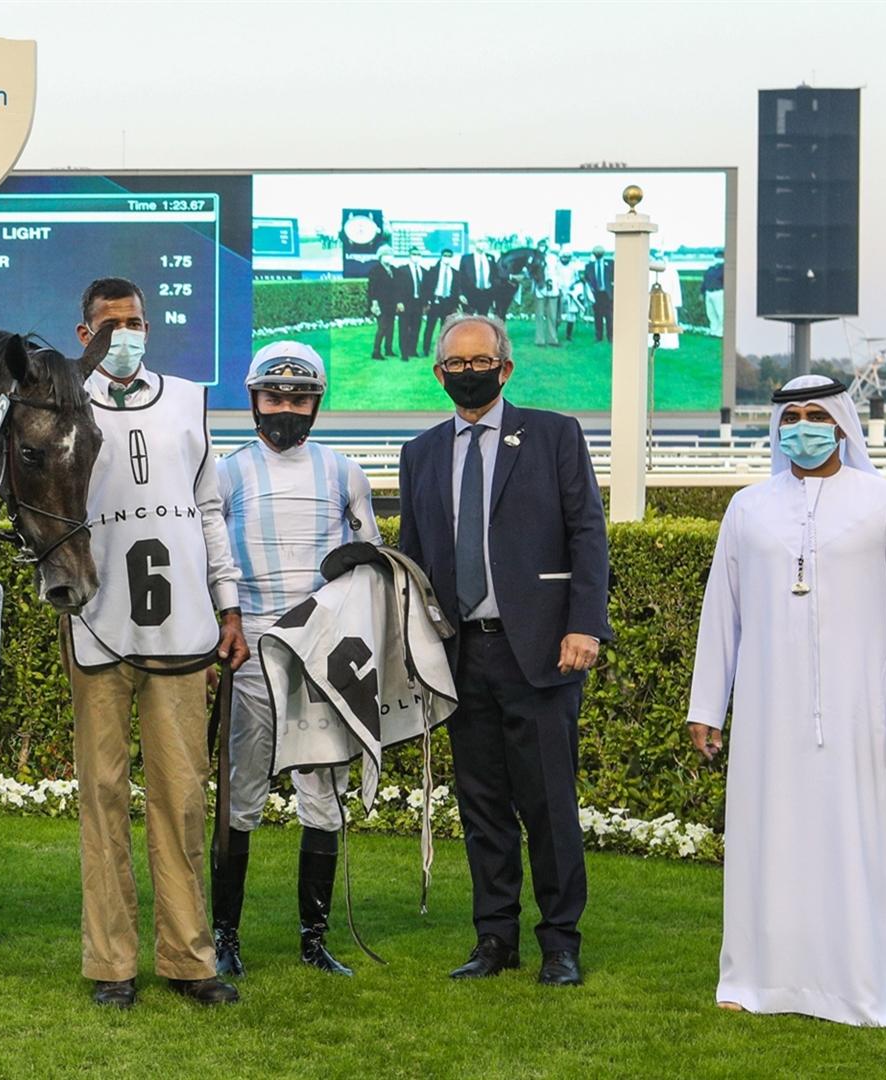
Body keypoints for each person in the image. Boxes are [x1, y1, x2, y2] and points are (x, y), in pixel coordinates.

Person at [396, 313, 611, 988]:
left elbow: (587, 534)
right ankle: (495, 941)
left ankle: (560, 944)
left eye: (478, 361)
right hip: (462, 659)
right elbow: (415, 558)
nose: (467, 373)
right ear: (438, 374)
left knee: (548, 804)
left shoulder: (552, 436)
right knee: (482, 806)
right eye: (454, 365)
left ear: (505, 367)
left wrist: (585, 624)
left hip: (543, 652)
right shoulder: (422, 453)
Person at [686, 374, 886, 1026]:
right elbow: (721, 613)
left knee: (860, 842)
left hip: (865, 712)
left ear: (841, 423)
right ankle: (755, 978)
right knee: (767, 839)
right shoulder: (749, 508)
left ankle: (867, 981)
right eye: (792, 415)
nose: (803, 427)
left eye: (816, 414)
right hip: (766, 713)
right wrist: (706, 705)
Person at [65, 276, 245, 1010]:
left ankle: (189, 956)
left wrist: (228, 605)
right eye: (110, 324)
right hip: (98, 623)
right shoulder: (61, 410)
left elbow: (208, 509)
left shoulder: (189, 399)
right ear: (85, 336)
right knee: (101, 798)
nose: (125, 334)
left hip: (183, 629)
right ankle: (111, 965)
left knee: (181, 797)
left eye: (135, 321)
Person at [212, 342, 379, 981]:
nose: (286, 408)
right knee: (241, 796)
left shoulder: (344, 473)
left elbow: (369, 564)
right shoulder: (225, 475)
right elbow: (211, 564)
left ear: (316, 404)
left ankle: (314, 940)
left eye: (299, 399)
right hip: (251, 649)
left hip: (321, 651)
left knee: (321, 797)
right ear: (254, 400)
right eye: (275, 397)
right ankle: (225, 937)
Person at [422, 248, 460, 349]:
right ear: (441, 256)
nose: (447, 258)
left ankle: (443, 348)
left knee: (445, 327)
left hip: (447, 301)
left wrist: (455, 304)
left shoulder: (454, 272)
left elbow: (455, 290)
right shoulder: (434, 270)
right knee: (430, 326)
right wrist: (427, 301)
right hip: (435, 300)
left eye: (449, 256)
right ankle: (426, 348)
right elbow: (427, 286)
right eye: (445, 256)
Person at [367, 246, 399, 361]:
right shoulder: (375, 270)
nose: (388, 257)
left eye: (390, 255)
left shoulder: (393, 270)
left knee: (391, 327)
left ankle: (388, 349)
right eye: (386, 255)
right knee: (382, 328)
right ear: (380, 257)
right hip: (380, 304)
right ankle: (376, 351)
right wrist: (374, 304)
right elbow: (372, 289)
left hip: (391, 304)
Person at [396, 249, 428, 360]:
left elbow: (425, 289)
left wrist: (425, 303)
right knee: (404, 328)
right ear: (409, 255)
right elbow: (397, 288)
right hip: (406, 303)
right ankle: (404, 353)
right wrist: (399, 302)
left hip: (418, 303)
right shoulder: (402, 270)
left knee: (416, 328)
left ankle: (412, 350)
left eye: (418, 254)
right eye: (414, 254)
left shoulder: (423, 271)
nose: (416, 256)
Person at [459, 243, 501, 318]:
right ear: (476, 244)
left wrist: (494, 292)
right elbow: (460, 277)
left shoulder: (490, 258)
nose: (483, 245)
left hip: (486, 294)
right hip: (471, 293)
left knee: (484, 320)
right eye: (480, 242)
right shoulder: (466, 258)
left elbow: (495, 276)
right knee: (469, 320)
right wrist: (461, 294)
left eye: (484, 242)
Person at [533, 242, 563, 347]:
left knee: (552, 315)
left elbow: (558, 273)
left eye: (544, 246)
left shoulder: (554, 258)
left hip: (553, 288)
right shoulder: (534, 257)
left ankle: (552, 339)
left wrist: (559, 287)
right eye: (540, 246)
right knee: (539, 315)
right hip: (539, 289)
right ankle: (539, 339)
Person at [652, 249, 682, 350]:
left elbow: (676, 287)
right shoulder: (651, 270)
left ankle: (669, 344)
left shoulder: (672, 270)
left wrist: (676, 302)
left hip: (669, 302)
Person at [583, 247, 613, 342]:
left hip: (607, 294)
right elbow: (586, 279)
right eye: (596, 253)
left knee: (609, 316)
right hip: (596, 294)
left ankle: (610, 337)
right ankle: (598, 337)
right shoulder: (589, 266)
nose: (598, 254)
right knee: (598, 316)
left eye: (599, 253)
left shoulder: (610, 264)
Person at [702, 257, 725, 336]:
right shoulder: (710, 269)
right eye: (716, 256)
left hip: (718, 292)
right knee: (711, 313)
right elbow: (704, 281)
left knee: (721, 313)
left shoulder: (724, 269)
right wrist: (702, 292)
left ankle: (721, 332)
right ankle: (714, 331)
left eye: (720, 257)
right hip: (708, 293)